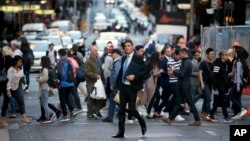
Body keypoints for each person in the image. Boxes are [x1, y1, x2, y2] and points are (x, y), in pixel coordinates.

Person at [112, 39, 147, 138]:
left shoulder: (138, 58)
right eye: (126, 46)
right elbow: (121, 72)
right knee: (121, 110)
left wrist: (134, 76)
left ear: (132, 47)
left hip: (132, 88)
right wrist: (115, 84)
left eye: (129, 46)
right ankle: (121, 132)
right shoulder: (123, 58)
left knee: (131, 109)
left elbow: (145, 72)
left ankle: (141, 121)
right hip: (123, 87)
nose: (127, 47)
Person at [162, 48, 201, 126]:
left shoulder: (187, 62)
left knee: (190, 102)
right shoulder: (185, 61)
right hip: (182, 84)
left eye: (180, 54)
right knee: (177, 101)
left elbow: (182, 74)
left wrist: (174, 70)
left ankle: (197, 120)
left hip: (184, 85)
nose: (179, 55)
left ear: (184, 53)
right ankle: (170, 119)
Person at [0, 55, 31, 126]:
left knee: (21, 101)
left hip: (17, 87)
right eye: (19, 61)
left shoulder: (21, 69)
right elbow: (8, 80)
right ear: (15, 61)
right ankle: (3, 118)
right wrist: (8, 90)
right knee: (6, 102)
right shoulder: (11, 69)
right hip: (9, 87)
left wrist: (22, 86)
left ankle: (24, 117)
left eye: (21, 61)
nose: (20, 63)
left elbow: (22, 78)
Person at [207, 51, 233, 123]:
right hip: (219, 85)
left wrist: (228, 85)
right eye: (226, 55)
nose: (227, 56)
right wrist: (215, 87)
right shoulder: (217, 64)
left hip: (224, 85)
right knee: (223, 101)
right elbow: (215, 76)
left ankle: (211, 114)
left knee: (218, 101)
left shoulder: (226, 64)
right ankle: (226, 116)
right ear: (221, 56)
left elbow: (226, 76)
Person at [84, 46, 105, 119]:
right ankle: (89, 113)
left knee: (101, 97)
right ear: (91, 52)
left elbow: (100, 69)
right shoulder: (88, 61)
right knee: (91, 98)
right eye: (95, 51)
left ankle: (96, 110)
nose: (97, 52)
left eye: (97, 50)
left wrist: (103, 78)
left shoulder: (98, 59)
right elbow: (87, 72)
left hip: (99, 82)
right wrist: (95, 76)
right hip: (90, 82)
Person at [103, 49, 122, 122]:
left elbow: (116, 74)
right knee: (117, 101)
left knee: (112, 100)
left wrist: (112, 84)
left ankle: (110, 117)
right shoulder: (119, 61)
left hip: (117, 85)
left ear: (116, 54)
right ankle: (117, 115)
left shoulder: (118, 62)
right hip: (118, 84)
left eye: (112, 54)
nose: (112, 56)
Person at [142, 52, 163, 118]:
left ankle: (153, 112)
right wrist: (160, 71)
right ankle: (150, 112)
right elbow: (154, 74)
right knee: (153, 97)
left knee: (155, 97)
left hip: (150, 82)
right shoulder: (155, 64)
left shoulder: (151, 63)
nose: (160, 56)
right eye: (159, 55)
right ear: (157, 56)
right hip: (152, 83)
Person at [36, 56, 56, 123]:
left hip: (45, 87)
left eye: (41, 61)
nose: (40, 62)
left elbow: (45, 78)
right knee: (42, 103)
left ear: (43, 61)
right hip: (46, 87)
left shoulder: (45, 69)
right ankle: (49, 114)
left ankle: (49, 116)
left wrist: (38, 79)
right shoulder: (48, 68)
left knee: (44, 103)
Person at [231, 47, 248, 119]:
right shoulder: (243, 62)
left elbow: (238, 74)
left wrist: (237, 85)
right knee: (237, 98)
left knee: (232, 97)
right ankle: (239, 114)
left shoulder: (238, 63)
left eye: (236, 52)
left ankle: (242, 109)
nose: (235, 53)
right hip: (241, 83)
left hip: (238, 83)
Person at [199, 48, 215, 120]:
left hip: (211, 84)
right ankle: (208, 114)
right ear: (207, 54)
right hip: (204, 83)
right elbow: (200, 74)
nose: (212, 55)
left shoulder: (214, 63)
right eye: (211, 54)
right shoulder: (203, 63)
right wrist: (201, 83)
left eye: (213, 54)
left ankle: (203, 113)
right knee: (209, 98)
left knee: (206, 98)